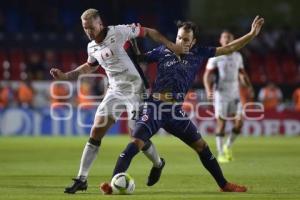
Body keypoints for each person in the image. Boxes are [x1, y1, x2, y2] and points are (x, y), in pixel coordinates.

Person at [100, 16, 264, 194]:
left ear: (193, 41)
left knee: (202, 146)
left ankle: (224, 185)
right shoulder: (163, 50)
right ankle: (113, 183)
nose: (181, 41)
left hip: (175, 111)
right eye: (179, 37)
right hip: (155, 106)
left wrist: (251, 34)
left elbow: (229, 48)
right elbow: (139, 59)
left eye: (186, 39)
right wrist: (129, 43)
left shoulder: (199, 53)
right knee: (136, 142)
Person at [50, 8, 186, 194]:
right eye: (84, 28)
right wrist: (66, 76)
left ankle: (158, 163)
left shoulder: (119, 31)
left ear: (100, 23)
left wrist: (172, 45)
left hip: (136, 88)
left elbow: (149, 32)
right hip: (114, 91)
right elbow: (90, 67)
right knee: (96, 131)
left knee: (137, 136)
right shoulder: (92, 47)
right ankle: (81, 179)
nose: (88, 31)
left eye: (91, 27)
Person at [203, 30, 254, 163]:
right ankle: (220, 154)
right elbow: (207, 75)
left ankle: (227, 146)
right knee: (222, 122)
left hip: (235, 92)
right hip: (221, 93)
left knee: (239, 122)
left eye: (229, 37)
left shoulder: (238, 56)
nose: (226, 39)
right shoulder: (216, 56)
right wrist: (208, 90)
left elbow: (242, 73)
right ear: (220, 40)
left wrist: (249, 87)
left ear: (233, 40)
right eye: (224, 37)